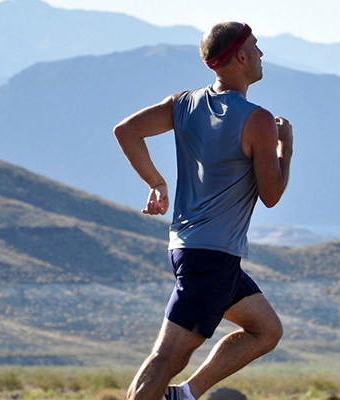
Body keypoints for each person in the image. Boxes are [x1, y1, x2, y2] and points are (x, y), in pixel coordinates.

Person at [113, 21, 291, 400]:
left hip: (195, 250)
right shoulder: (258, 120)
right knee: (165, 358)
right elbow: (271, 194)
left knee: (266, 330)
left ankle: (186, 394)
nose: (261, 54)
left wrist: (155, 183)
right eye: (256, 47)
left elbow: (126, 131)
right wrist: (284, 150)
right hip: (210, 258)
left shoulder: (183, 104)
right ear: (241, 56)